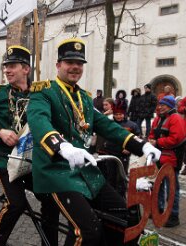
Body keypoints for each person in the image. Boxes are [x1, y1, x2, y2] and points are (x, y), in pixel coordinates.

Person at [27, 38, 161, 246]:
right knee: (88, 231)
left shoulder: (84, 98)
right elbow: (39, 122)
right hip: (54, 172)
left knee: (121, 214)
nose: (75, 67)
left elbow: (107, 127)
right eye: (69, 61)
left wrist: (140, 145)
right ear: (58, 65)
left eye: (79, 63)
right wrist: (62, 146)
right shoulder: (44, 92)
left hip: (86, 172)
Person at [0, 45, 59, 246]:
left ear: (26, 69)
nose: (7, 70)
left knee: (51, 199)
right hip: (2, 158)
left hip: (32, 159)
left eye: (12, 65)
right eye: (6, 66)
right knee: (16, 203)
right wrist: (0, 132)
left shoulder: (40, 94)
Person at [148, 95, 186, 227]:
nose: (160, 106)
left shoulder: (176, 118)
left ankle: (173, 215)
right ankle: (158, 210)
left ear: (170, 106)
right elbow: (152, 133)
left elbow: (176, 139)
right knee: (157, 185)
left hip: (172, 159)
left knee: (172, 188)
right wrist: (151, 140)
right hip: (159, 158)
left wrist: (157, 142)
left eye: (163, 104)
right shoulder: (158, 118)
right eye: (160, 104)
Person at [98, 104, 141, 197]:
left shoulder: (131, 125)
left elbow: (137, 138)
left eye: (120, 114)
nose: (118, 116)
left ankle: (121, 196)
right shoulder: (110, 124)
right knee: (111, 176)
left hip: (123, 155)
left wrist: (129, 148)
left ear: (124, 114)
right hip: (110, 153)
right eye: (116, 114)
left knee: (121, 177)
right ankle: (112, 196)